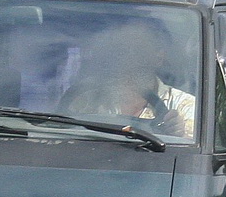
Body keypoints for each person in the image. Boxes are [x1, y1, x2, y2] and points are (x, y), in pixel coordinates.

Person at [61, 19, 196, 138]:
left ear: (158, 57)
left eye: (137, 50)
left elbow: (192, 159)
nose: (127, 59)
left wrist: (178, 133)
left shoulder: (184, 106)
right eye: (121, 50)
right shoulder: (87, 100)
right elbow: (59, 137)